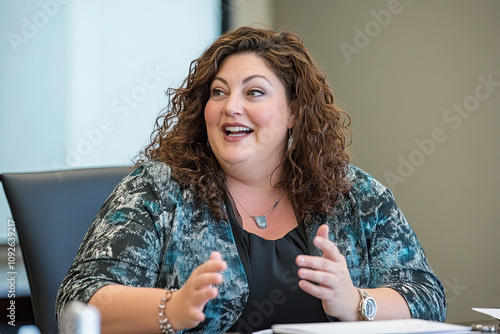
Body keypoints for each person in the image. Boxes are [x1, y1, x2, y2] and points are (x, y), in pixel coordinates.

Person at [55, 26, 446, 333]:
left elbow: (428, 300)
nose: (231, 108)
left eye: (254, 92)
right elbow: (78, 301)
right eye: (219, 93)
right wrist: (170, 310)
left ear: (294, 111)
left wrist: (355, 302)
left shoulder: (356, 196)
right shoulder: (157, 190)